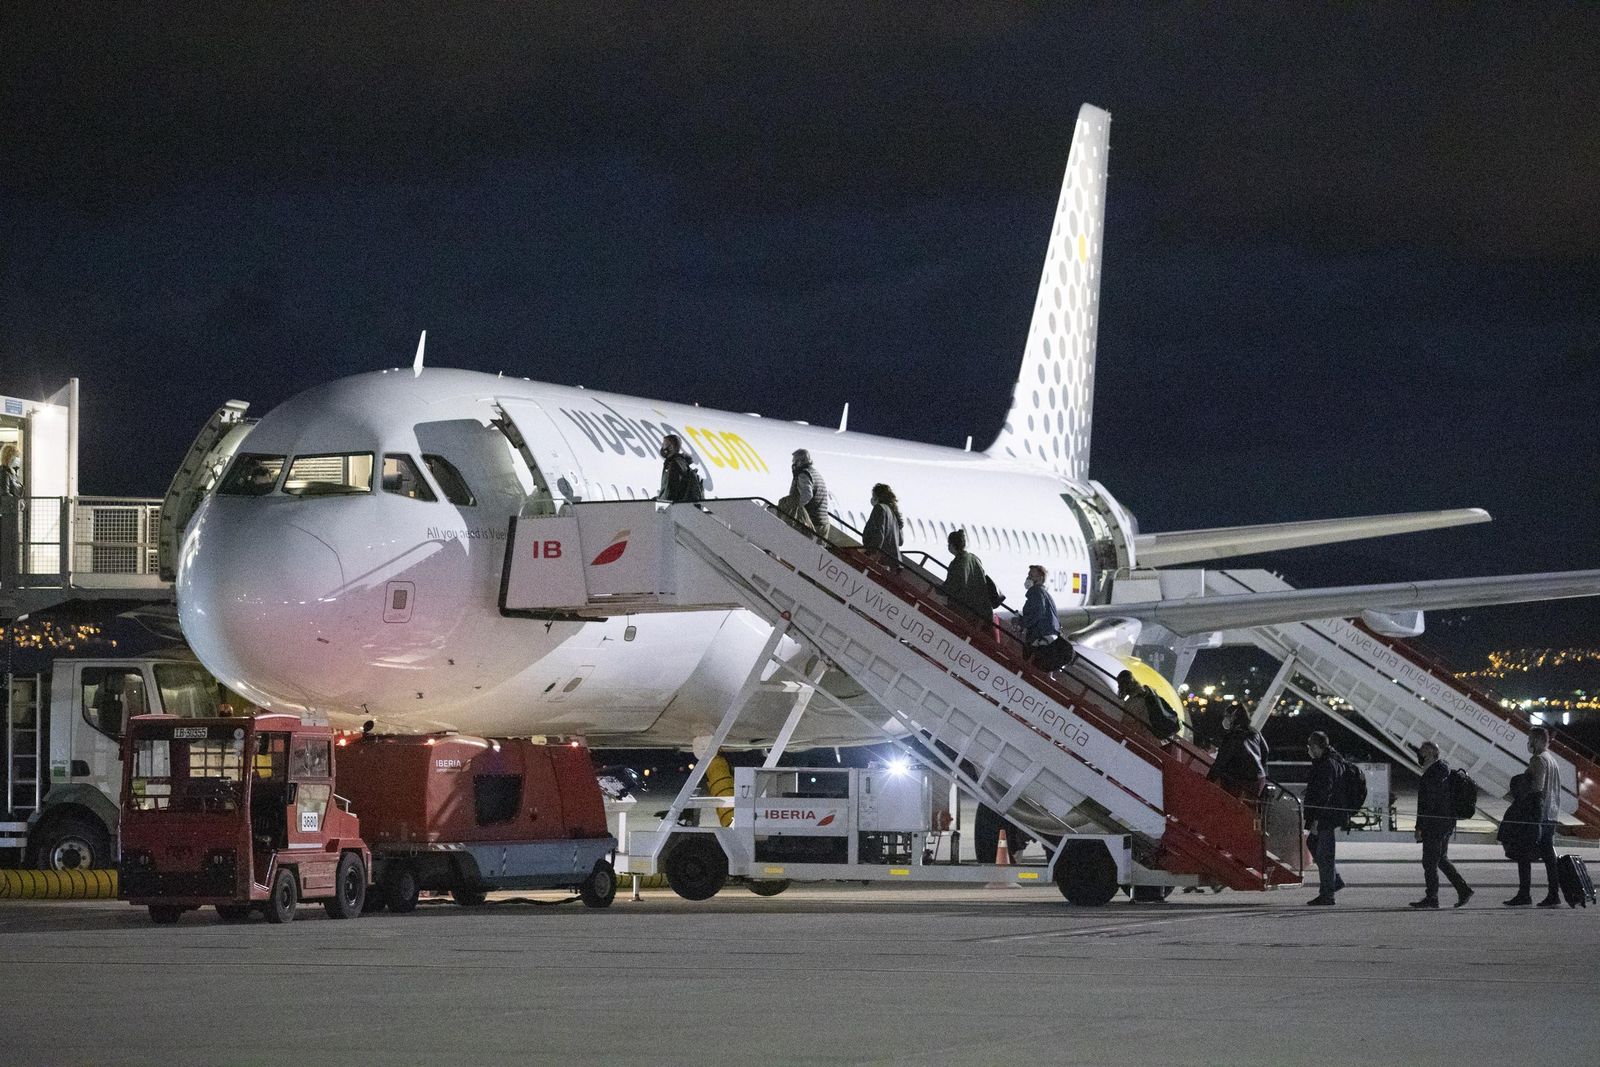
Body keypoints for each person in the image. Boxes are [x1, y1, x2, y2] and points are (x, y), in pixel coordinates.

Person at [1412, 740, 1473, 908]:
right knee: (1441, 859)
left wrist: (1419, 827)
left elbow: (1426, 805)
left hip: (1435, 824)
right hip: (1446, 823)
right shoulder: (1443, 771)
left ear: (1431, 755)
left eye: (1422, 753)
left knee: (1429, 862)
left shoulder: (1432, 775)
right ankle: (1463, 890)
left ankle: (1432, 898)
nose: (1419, 756)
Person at [1507, 726, 1563, 907]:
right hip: (1552, 813)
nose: (1528, 742)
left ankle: (1525, 894)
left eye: (1530, 739)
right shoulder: (1552, 760)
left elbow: (1536, 788)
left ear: (1538, 740)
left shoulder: (1538, 759)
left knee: (1523, 853)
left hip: (1538, 815)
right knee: (1548, 856)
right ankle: (1553, 893)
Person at [1303, 730, 1345, 905]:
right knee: (1312, 843)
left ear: (1315, 746)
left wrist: (1318, 820)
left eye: (1309, 746)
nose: (1308, 750)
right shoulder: (1325, 761)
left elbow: (1325, 794)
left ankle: (1327, 894)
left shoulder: (1327, 765)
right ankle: (1334, 881)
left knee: (1325, 855)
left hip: (1326, 816)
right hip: (1325, 814)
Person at [1207, 704, 1268, 802]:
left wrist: (1209, 779)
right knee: (1249, 809)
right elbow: (1265, 752)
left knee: (1231, 806)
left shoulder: (1233, 736)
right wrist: (1259, 768)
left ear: (1233, 717)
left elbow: (1222, 760)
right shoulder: (1255, 732)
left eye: (1226, 716)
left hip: (1238, 780)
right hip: (1258, 779)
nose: (1225, 719)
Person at [940, 528, 992, 625]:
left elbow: (954, 587)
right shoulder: (973, 558)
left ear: (952, 545)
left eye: (948, 544)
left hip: (967, 611)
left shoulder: (957, 563)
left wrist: (939, 589)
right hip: (983, 609)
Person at [783, 449, 831, 537]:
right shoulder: (814, 473)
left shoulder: (804, 475)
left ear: (800, 461)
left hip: (813, 524)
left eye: (794, 461)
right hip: (823, 523)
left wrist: (793, 506)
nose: (793, 464)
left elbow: (807, 495)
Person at [1017, 564, 1060, 662]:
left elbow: (1038, 613)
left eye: (1031, 575)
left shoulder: (1036, 591)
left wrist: (1022, 623)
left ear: (1040, 578)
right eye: (1028, 575)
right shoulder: (1045, 593)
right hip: (1049, 637)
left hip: (1040, 637)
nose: (1028, 578)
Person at [861, 483, 902, 567]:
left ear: (878, 496)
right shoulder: (893, 513)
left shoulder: (880, 508)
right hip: (894, 563)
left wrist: (870, 556)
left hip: (882, 561)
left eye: (873, 495)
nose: (872, 499)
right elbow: (900, 541)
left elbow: (879, 536)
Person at [657, 434, 702, 503]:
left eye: (664, 445)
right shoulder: (682, 462)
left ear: (671, 447)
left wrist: (661, 508)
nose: (662, 447)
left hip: (673, 508)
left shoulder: (673, 464)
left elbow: (670, 490)